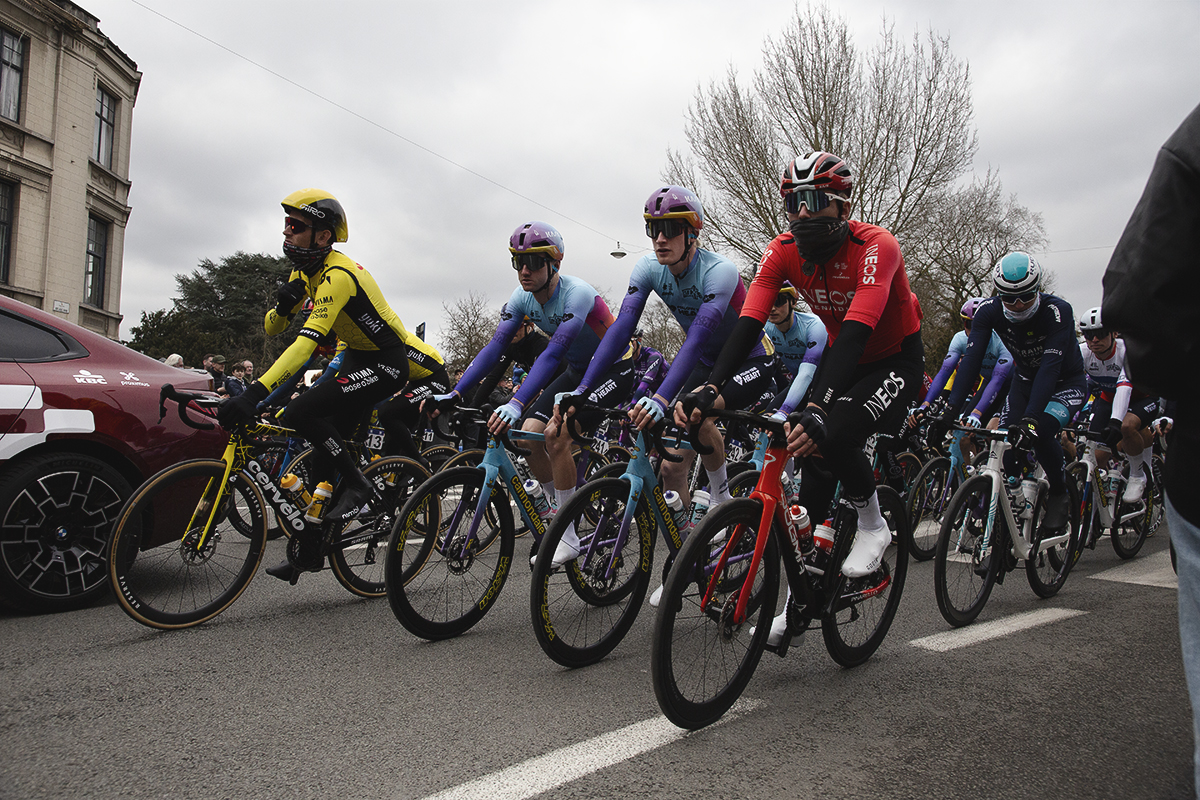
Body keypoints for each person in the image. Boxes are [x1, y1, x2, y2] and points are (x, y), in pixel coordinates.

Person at [683, 151, 924, 645]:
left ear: (841, 204)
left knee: (833, 432)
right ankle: (799, 602)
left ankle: (874, 524)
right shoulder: (782, 250)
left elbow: (857, 333)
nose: (802, 214)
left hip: (893, 359)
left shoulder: (876, 245)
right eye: (793, 202)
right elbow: (749, 323)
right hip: (845, 356)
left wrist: (819, 407)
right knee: (804, 452)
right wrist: (714, 386)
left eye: (814, 201)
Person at [217, 188, 442, 583]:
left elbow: (304, 347)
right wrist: (283, 305)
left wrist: (255, 393)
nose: (287, 232)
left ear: (323, 236)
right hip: (358, 355)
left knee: (300, 412)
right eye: (285, 224)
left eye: (296, 226)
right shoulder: (304, 271)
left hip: (388, 362)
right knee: (322, 458)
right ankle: (311, 550)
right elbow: (273, 328)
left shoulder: (338, 275)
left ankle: (358, 484)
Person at [561, 185, 776, 588]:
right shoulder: (647, 269)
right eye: (653, 229)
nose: (660, 238)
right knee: (671, 458)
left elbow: (697, 336)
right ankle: (683, 550)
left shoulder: (720, 271)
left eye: (671, 228)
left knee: (698, 412)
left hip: (750, 363)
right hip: (706, 363)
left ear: (692, 233)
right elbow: (621, 330)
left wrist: (661, 397)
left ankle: (722, 500)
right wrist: (584, 389)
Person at [433, 221, 633, 567]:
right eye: (518, 263)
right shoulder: (521, 298)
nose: (525, 271)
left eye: (535, 263)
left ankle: (567, 533)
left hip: (613, 368)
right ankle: (560, 508)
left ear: (554, 264)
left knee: (556, 437)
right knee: (527, 438)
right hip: (577, 369)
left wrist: (515, 401)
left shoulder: (577, 294)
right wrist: (456, 393)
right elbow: (495, 348)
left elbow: (552, 354)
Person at [1100, 102, 1200, 794]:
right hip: (1111, 387)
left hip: (1144, 385)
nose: (1097, 343)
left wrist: (1164, 416)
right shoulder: (977, 335)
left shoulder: (1088, 346)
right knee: (1104, 428)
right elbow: (989, 382)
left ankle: (1137, 480)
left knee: (1128, 430)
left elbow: (1136, 319)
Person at [944, 253, 1086, 533]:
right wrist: (950, 411)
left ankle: (1059, 492)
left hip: (1064, 382)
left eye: (1026, 296)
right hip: (1025, 381)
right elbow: (970, 363)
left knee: (1041, 430)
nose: (1018, 304)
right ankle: (1014, 502)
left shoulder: (1058, 311)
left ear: (1038, 289)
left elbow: (1050, 368)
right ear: (999, 294)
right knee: (1006, 443)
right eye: (1009, 298)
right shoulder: (989, 312)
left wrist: (1032, 418)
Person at [1076, 307, 1157, 503]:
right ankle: (1096, 509)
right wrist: (1073, 416)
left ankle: (1138, 476)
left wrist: (1114, 421)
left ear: (1114, 334)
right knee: (1096, 455)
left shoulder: (1125, 351)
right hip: (1109, 398)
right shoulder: (1082, 352)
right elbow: (1076, 385)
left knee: (1126, 425)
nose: (1094, 340)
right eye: (1089, 335)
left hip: (1143, 396)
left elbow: (1124, 387)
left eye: (1101, 334)